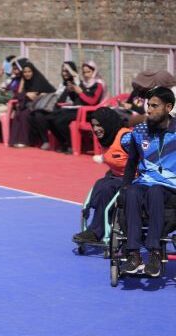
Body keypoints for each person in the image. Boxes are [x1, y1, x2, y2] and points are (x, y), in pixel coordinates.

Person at [121, 87, 176, 276]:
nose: (149, 110)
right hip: (144, 184)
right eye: (148, 105)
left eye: (154, 106)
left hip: (170, 188)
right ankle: (133, 254)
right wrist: (124, 187)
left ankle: (154, 253)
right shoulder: (140, 131)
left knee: (156, 192)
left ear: (168, 107)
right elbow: (131, 164)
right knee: (132, 192)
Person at [72, 107, 131, 243]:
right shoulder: (105, 139)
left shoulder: (126, 138)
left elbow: (142, 159)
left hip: (134, 179)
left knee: (106, 187)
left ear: (108, 123)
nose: (96, 129)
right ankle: (96, 226)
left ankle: (96, 232)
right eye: (93, 125)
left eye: (99, 125)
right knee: (101, 183)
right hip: (116, 176)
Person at [49, 61, 105, 153]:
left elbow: (92, 102)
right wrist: (72, 91)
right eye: (84, 72)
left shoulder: (98, 85)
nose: (86, 75)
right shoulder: (84, 84)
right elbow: (77, 99)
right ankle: (64, 142)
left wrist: (80, 92)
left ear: (94, 71)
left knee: (60, 121)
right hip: (76, 109)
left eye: (88, 72)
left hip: (88, 113)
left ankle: (70, 144)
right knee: (51, 118)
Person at [29, 61, 80, 149]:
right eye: (63, 71)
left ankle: (67, 144)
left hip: (69, 109)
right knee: (38, 114)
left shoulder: (77, 83)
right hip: (57, 107)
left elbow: (74, 99)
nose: (65, 73)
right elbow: (57, 96)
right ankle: (46, 141)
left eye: (67, 71)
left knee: (52, 118)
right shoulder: (62, 84)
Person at [9, 60, 55, 147]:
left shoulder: (37, 80)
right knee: (19, 112)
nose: (27, 74)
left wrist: (24, 95)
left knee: (25, 113)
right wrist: (22, 84)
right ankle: (16, 140)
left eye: (29, 72)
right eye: (25, 72)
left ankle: (25, 141)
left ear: (33, 71)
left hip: (46, 106)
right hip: (34, 104)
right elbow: (19, 95)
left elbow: (32, 96)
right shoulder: (26, 81)